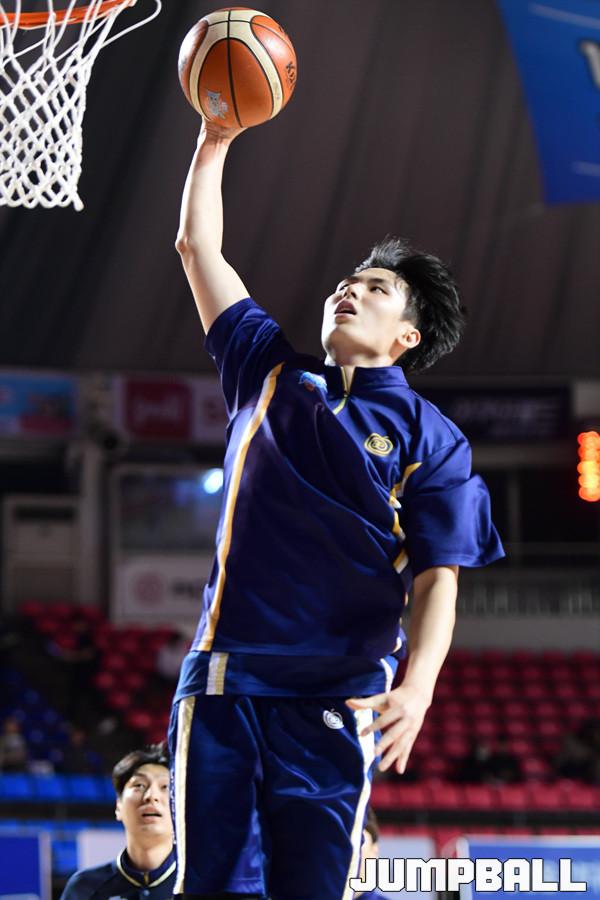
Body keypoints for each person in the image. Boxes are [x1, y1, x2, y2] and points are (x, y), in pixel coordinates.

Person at [169, 120, 504, 900]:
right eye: (346, 283)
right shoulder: (265, 372)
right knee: (207, 889)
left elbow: (439, 576)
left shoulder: (432, 437)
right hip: (226, 678)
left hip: (339, 691)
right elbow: (197, 247)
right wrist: (214, 140)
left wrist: (419, 686)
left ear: (408, 335)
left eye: (375, 288)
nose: (348, 290)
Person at [60, 744, 175, 899]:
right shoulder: (83, 888)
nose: (151, 796)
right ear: (118, 806)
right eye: (139, 785)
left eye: (165, 787)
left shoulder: (200, 887)